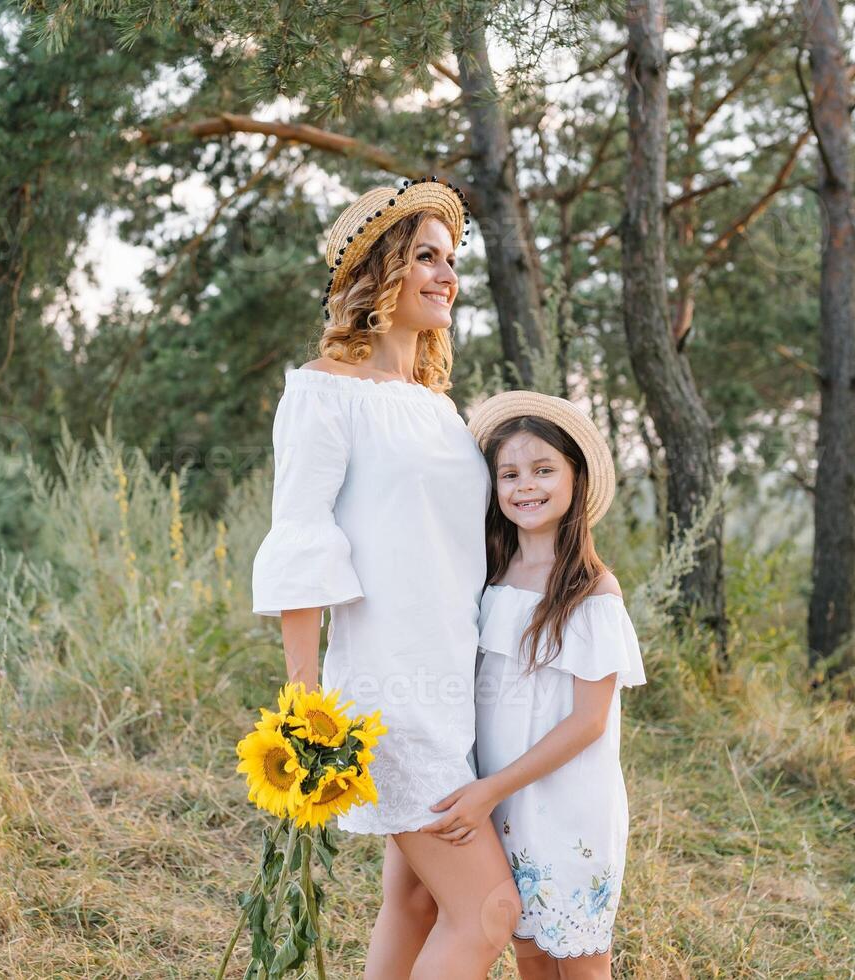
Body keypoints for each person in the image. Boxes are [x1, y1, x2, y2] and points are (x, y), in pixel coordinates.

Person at [250, 177, 520, 979]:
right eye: (425, 258)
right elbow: (301, 543)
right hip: (387, 696)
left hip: (456, 681)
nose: (447, 275)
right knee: (487, 909)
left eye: (451, 259)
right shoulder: (324, 392)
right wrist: (305, 712)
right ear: (379, 274)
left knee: (417, 905)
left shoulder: (435, 405)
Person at [422, 390, 646, 978]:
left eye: (544, 470)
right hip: (498, 796)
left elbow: (588, 721)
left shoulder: (591, 591)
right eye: (510, 473)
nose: (526, 485)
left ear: (576, 477)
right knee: (528, 948)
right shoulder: (491, 575)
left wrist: (491, 789)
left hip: (566, 799)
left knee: (579, 957)